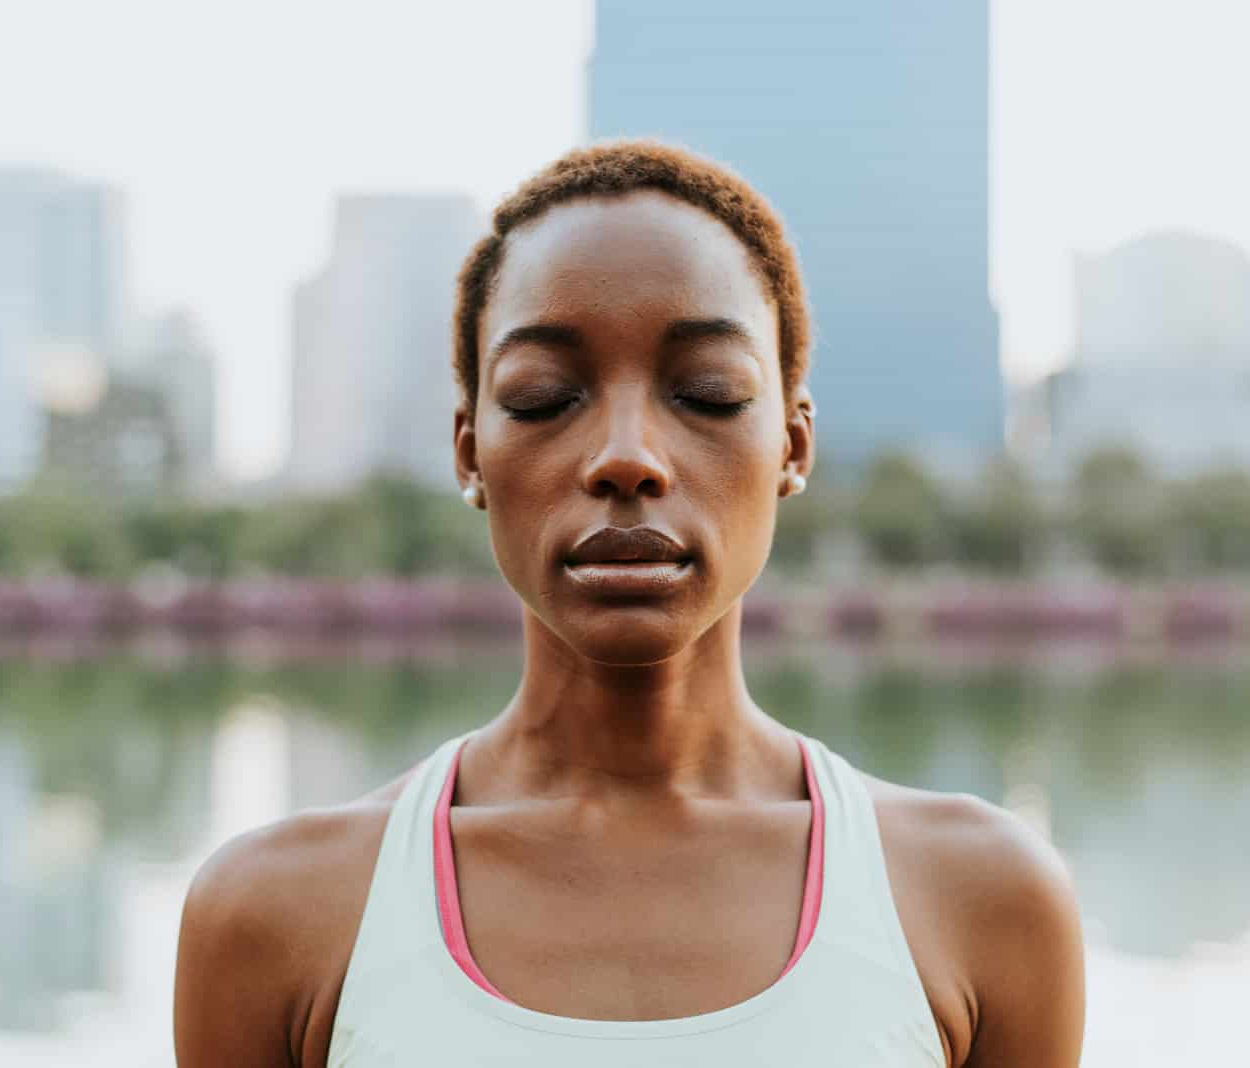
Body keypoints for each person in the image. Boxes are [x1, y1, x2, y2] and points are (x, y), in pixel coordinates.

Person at [173, 140, 1086, 1067]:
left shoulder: (983, 900)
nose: (626, 456)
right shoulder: (276, 915)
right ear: (469, 452)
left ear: (793, 448)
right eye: (542, 399)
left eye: (707, 393)